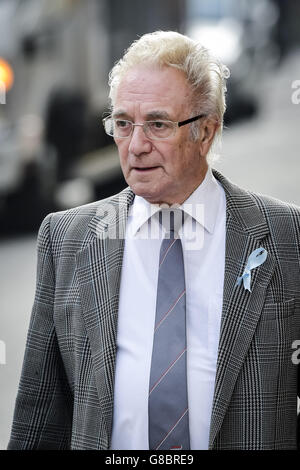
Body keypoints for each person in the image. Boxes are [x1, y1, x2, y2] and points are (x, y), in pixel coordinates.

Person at [8, 31, 300, 450]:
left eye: (158, 124)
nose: (136, 145)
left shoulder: (287, 235)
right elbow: (39, 416)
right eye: (123, 123)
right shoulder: (67, 239)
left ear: (207, 131)